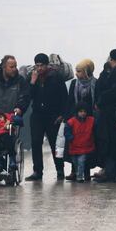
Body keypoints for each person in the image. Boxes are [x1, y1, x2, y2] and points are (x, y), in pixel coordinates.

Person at [25, 53, 68, 181]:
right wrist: (32, 82)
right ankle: (37, 171)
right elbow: (28, 97)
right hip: (37, 114)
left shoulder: (56, 76)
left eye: (41, 65)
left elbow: (64, 97)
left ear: (46, 65)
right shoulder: (32, 77)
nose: (39, 68)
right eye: (37, 65)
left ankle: (60, 170)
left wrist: (62, 115)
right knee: (36, 142)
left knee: (55, 144)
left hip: (53, 115)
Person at [95, 49, 116, 182]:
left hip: (111, 114)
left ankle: (111, 173)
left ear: (111, 59)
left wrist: (101, 99)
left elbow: (114, 91)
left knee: (110, 143)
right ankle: (115, 173)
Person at [64, 103, 96, 182]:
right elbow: (67, 132)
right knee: (76, 163)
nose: (83, 113)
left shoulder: (91, 120)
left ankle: (79, 177)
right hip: (74, 147)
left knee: (81, 162)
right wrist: (71, 138)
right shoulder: (71, 122)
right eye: (81, 111)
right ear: (77, 112)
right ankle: (81, 175)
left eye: (84, 111)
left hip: (85, 147)